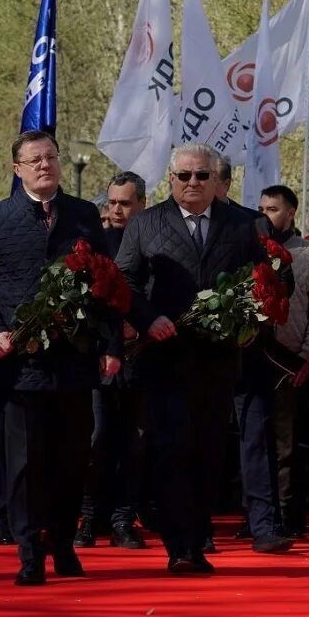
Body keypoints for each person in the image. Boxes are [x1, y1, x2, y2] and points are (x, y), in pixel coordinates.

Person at [0, 131, 117, 586]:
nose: (45, 165)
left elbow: (107, 284)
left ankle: (65, 545)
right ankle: (30, 552)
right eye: (34, 160)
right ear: (18, 169)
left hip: (74, 362)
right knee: (27, 464)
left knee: (73, 460)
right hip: (21, 364)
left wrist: (109, 345)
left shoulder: (84, 215)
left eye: (50, 157)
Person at [116, 143, 264, 574]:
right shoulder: (146, 224)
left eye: (202, 176)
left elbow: (261, 279)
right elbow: (123, 277)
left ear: (216, 179)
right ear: (171, 179)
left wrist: (248, 316)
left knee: (209, 451)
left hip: (217, 360)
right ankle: (179, 545)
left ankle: (197, 537)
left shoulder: (242, 224)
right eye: (184, 176)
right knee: (170, 451)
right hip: (165, 358)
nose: (193, 183)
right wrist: (148, 317)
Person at [236, 185, 309, 548]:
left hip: (290, 357)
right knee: (252, 438)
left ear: (291, 212)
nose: (265, 215)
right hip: (251, 351)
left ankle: (287, 514)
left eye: (273, 209)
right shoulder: (248, 248)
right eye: (260, 209)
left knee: (285, 442)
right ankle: (256, 513)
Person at [77, 171, 149, 550]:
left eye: (125, 203)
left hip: (141, 356)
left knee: (134, 442)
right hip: (101, 358)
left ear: (142, 203)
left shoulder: (152, 243)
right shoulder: (96, 244)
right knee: (97, 438)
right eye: (112, 203)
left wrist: (140, 327)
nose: (117, 210)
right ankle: (89, 517)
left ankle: (123, 520)